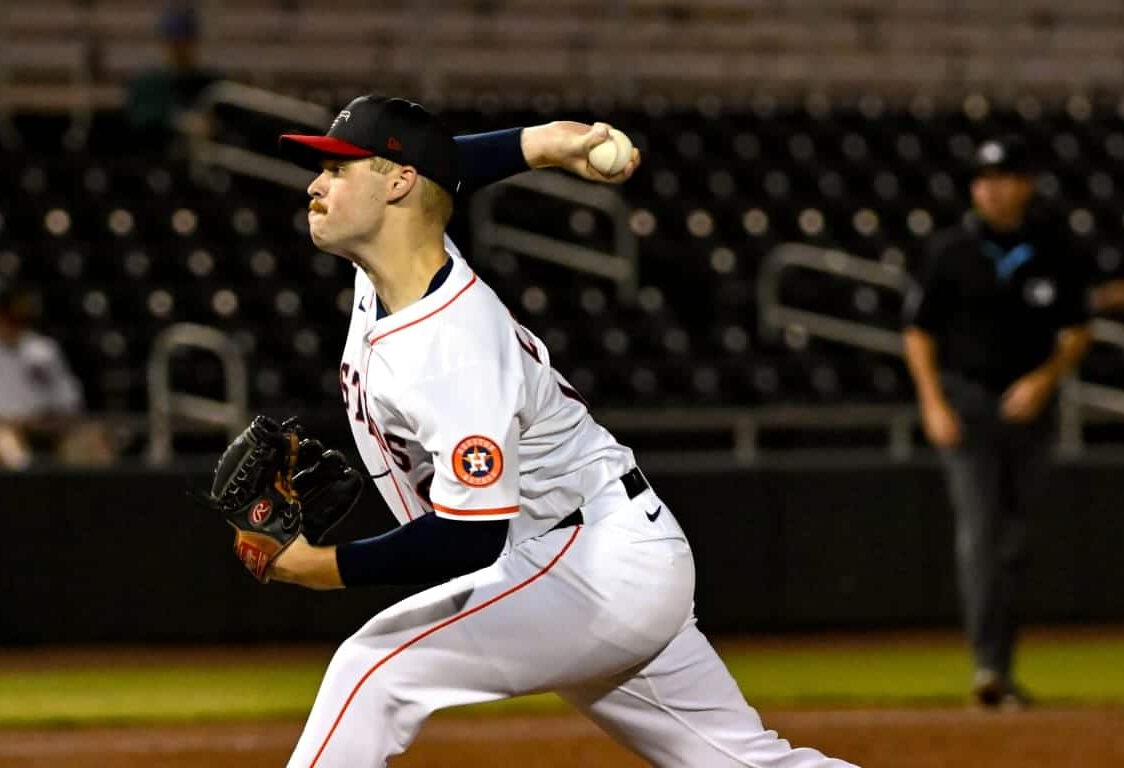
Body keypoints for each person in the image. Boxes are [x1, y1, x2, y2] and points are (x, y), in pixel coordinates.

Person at [250, 95, 856, 767]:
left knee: (370, 672)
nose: (314, 185)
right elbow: (446, 167)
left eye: (338, 169)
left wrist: (318, 567)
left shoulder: (454, 347)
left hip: (590, 563)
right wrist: (542, 143)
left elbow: (466, 536)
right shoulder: (396, 261)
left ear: (395, 185)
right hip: (596, 551)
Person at [903, 135, 1091, 710]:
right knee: (981, 535)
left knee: (1016, 540)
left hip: (1030, 409)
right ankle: (988, 667)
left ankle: (1001, 670)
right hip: (969, 405)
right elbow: (918, 332)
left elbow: (1077, 327)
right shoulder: (951, 250)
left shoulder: (1053, 247)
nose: (991, 187)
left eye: (1004, 176)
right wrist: (933, 403)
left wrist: (1045, 379)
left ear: (1025, 184)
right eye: (983, 178)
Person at [0, 283, 113, 469]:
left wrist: (45, 420)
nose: (16, 326)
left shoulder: (43, 350)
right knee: (5, 441)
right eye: (10, 319)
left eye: (21, 320)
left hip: (44, 429)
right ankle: (27, 486)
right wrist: (4, 420)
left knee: (92, 440)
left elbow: (70, 401)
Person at [123, 4, 219, 147]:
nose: (179, 49)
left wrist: (212, 125)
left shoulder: (211, 82)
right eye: (174, 43)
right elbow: (137, 120)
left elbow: (228, 123)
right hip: (159, 157)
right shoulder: (147, 83)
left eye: (185, 42)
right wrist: (175, 121)